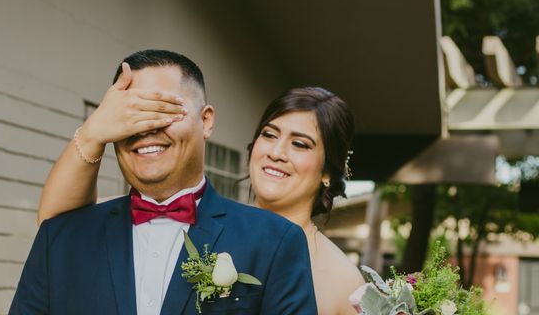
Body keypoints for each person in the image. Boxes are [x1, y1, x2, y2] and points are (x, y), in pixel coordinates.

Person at [37, 63, 364, 315]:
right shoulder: (189, 218)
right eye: (269, 134)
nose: (276, 152)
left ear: (328, 172)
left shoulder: (343, 281)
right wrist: (94, 133)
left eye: (300, 144)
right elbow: (59, 224)